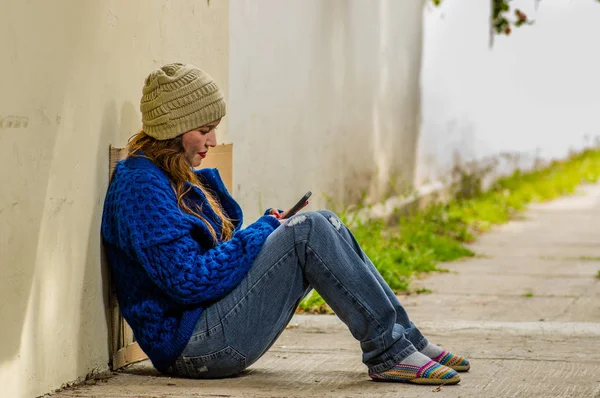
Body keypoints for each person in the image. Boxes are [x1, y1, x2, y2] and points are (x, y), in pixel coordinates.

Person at [101, 63, 470, 385]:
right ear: (173, 129)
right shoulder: (141, 185)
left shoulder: (169, 174)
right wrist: (263, 232)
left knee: (323, 221)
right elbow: (189, 281)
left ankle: (406, 340)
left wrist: (264, 228)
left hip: (207, 326)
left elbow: (203, 267)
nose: (213, 140)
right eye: (203, 129)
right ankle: (390, 353)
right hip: (193, 347)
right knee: (306, 229)